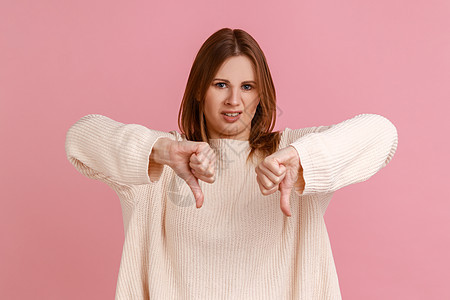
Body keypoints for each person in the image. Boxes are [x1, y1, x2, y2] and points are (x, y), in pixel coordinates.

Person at [65, 28, 398, 299]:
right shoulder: (162, 160)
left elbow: (382, 133)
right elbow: (80, 137)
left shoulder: (289, 154)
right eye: (220, 84)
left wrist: (303, 159)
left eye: (247, 87)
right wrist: (161, 151)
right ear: (199, 91)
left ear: (261, 94)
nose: (234, 101)